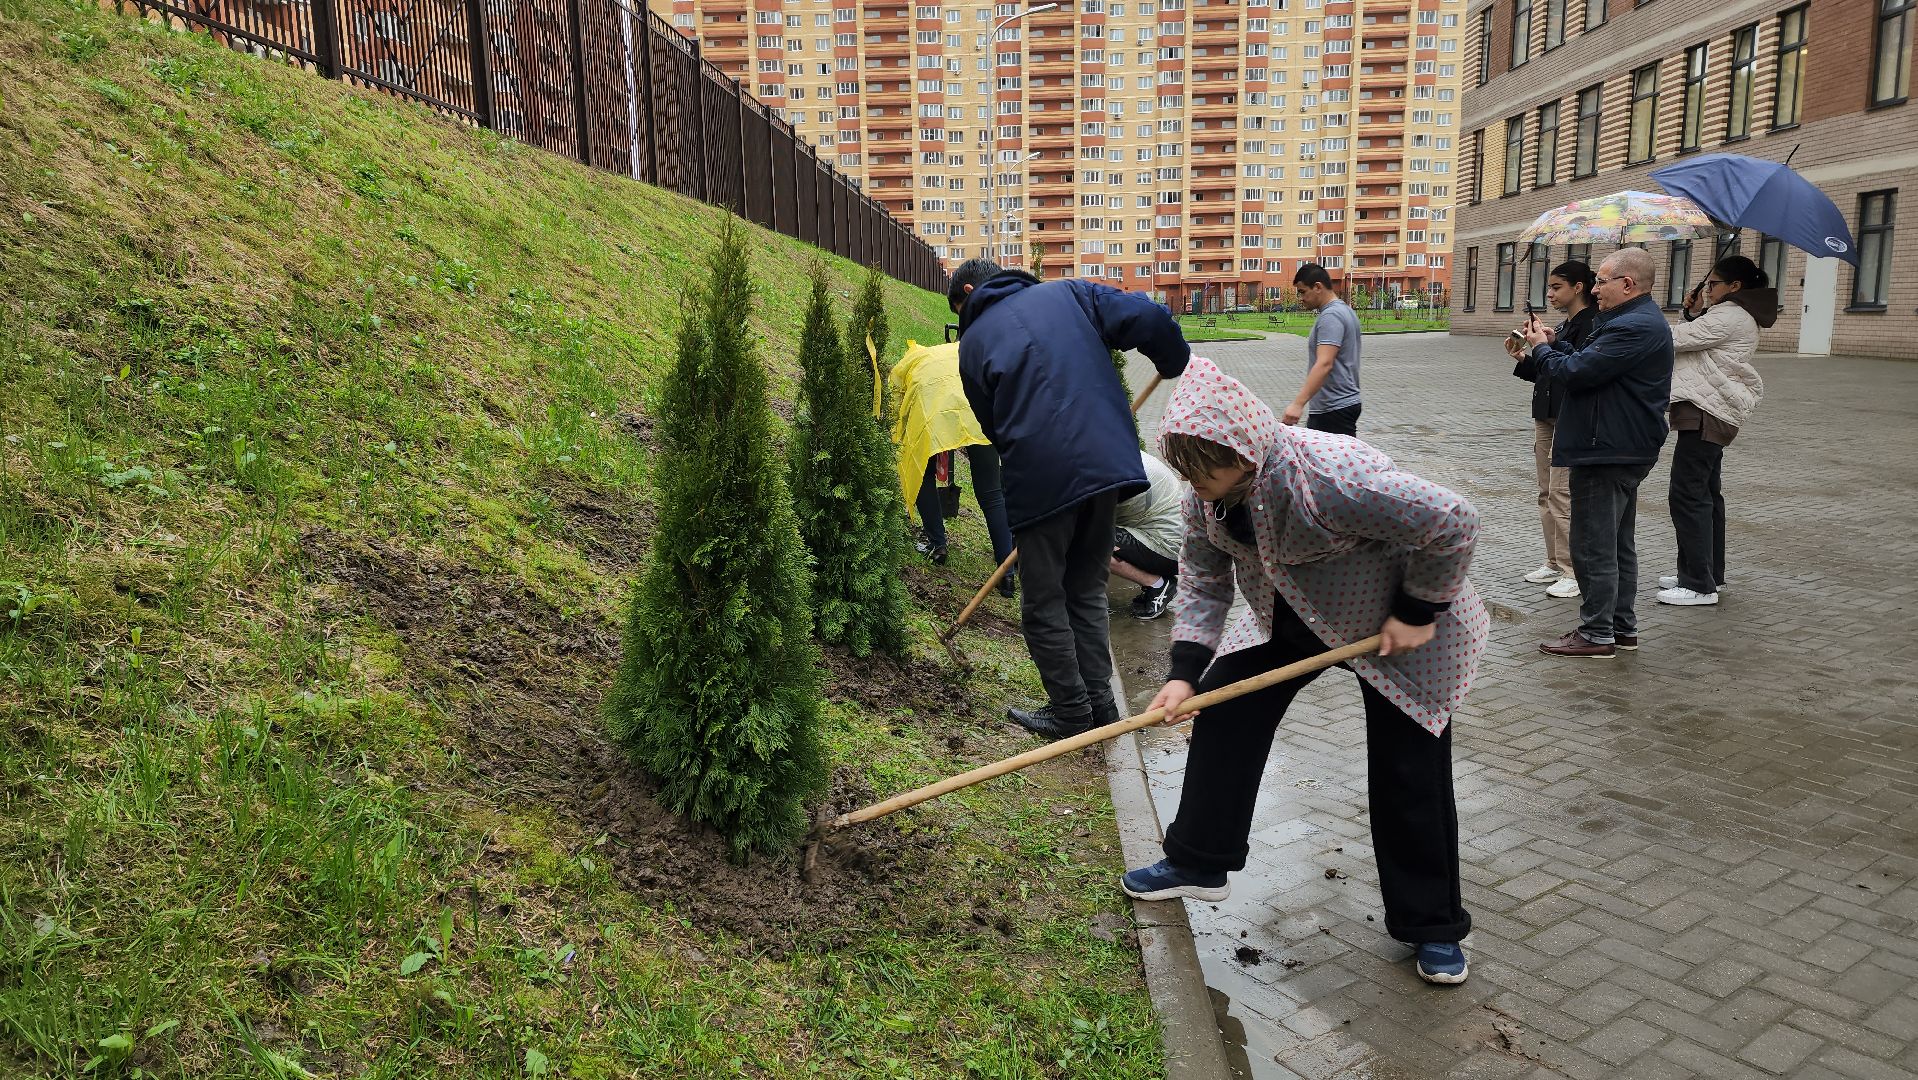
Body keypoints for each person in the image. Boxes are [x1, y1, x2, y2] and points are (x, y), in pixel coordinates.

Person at [1118, 357, 1487, 987]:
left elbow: (1453, 520)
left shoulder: (1328, 479)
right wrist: (1185, 671)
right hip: (1288, 615)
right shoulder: (1202, 499)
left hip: (1398, 626)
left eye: (1206, 470)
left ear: (1246, 450)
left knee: (1408, 771)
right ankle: (1199, 860)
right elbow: (1205, 579)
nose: (1192, 483)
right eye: (1185, 470)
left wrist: (1418, 607)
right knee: (1224, 706)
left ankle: (1434, 927)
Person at [949, 259, 1192, 740]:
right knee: (1084, 588)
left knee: (1044, 601)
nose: (965, 319)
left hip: (1041, 478)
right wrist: (1172, 359)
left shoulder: (972, 344)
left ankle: (1070, 713)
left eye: (961, 308)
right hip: (1107, 466)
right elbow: (1149, 317)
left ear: (971, 290)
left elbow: (992, 426)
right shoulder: (1072, 294)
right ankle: (1101, 706)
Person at [1520, 247, 1675, 660]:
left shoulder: (1633, 326)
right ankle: (1620, 628)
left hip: (1607, 448)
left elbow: (1576, 375)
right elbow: (1590, 364)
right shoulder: (1629, 321)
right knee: (1616, 544)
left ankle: (1597, 633)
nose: (1594, 288)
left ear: (1627, 284)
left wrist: (1541, 350)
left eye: (1601, 280)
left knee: (1593, 547)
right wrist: (1554, 344)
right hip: (1616, 445)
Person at [1656, 255, 1775, 607]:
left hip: (1706, 411)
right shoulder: (1731, 314)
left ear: (1734, 286)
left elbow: (1675, 339)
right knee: (1706, 495)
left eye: (1712, 285)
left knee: (1687, 494)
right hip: (1710, 409)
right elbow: (1698, 337)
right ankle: (1707, 573)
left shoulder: (1731, 314)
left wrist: (1637, 321)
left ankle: (1698, 585)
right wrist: (1692, 313)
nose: (1707, 291)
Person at [886, 339, 1017, 595]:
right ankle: (1007, 574)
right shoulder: (962, 349)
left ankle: (938, 546)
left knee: (923, 471)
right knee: (991, 493)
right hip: (977, 407)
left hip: (933, 408)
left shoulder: (908, 364)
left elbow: (896, 412)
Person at [1507, 261, 1598, 601]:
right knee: (1546, 492)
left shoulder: (1592, 325)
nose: (1550, 293)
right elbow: (1547, 372)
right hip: (1545, 413)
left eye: (1557, 286)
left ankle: (1574, 571)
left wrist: (1547, 345)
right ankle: (1555, 561)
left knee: (1562, 493)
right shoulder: (1564, 324)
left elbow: (1575, 370)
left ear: (1578, 288)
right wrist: (1522, 357)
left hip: (1568, 417)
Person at [1283, 263, 1363, 436]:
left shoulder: (1331, 316)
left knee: (1328, 462)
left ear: (1317, 287)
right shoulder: (1345, 311)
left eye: (1303, 291)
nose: (1301, 298)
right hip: (1340, 405)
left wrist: (1298, 403)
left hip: (1333, 408)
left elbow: (1325, 363)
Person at [1111, 453, 1185, 620]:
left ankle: (1157, 584)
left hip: (1168, 547)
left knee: (1086, 539)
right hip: (1172, 541)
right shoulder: (1117, 449)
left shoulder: (1108, 471)